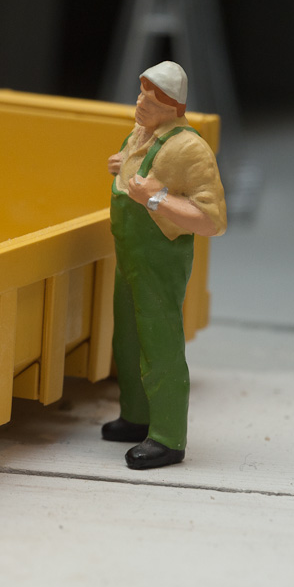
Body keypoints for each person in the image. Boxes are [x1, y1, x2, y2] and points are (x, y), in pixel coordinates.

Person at [103, 60, 227, 470]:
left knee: (160, 344)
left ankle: (168, 436)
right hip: (129, 255)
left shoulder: (190, 149)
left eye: (152, 102)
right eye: (140, 95)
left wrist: (155, 199)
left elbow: (212, 221)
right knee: (128, 340)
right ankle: (136, 416)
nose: (141, 104)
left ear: (174, 108)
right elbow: (134, 172)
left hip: (160, 258)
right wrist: (123, 165)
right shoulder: (139, 133)